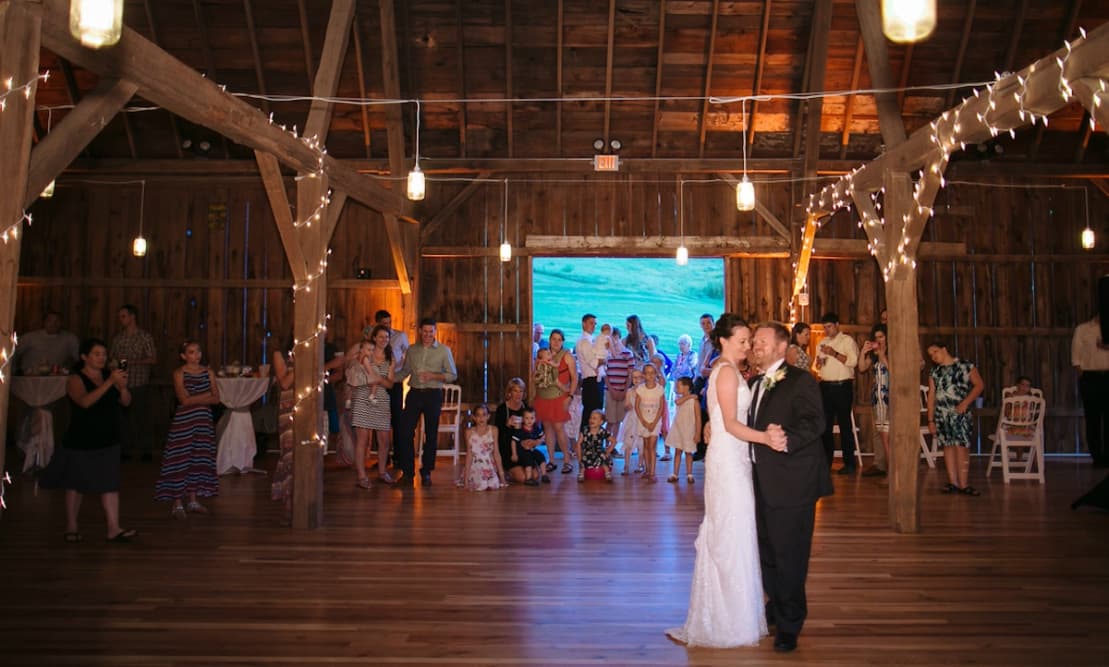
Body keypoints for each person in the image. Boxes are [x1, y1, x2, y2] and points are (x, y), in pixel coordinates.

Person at [666, 315, 787, 648]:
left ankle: (737, 613)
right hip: (728, 462)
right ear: (724, 341)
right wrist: (765, 438)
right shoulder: (727, 373)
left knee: (736, 530)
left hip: (733, 457)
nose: (748, 345)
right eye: (743, 340)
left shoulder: (728, 371)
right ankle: (725, 620)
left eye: (749, 340)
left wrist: (712, 427)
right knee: (728, 531)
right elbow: (732, 424)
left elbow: (722, 419)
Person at [748, 321, 831, 652]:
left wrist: (788, 440)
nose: (755, 346)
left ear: (782, 347)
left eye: (762, 342)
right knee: (767, 552)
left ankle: (790, 623)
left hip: (793, 481)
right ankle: (776, 604)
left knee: (791, 555)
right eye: (754, 342)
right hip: (759, 482)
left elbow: (815, 422)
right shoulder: (754, 382)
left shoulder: (800, 380)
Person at [39, 338, 136, 543]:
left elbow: (126, 402)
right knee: (76, 483)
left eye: (104, 354)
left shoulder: (109, 376)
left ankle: (113, 528)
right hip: (81, 438)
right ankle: (72, 526)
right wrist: (109, 383)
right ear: (85, 357)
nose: (102, 358)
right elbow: (84, 402)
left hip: (108, 437)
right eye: (97, 354)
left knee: (110, 484)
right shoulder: (76, 379)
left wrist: (122, 387)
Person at [155, 340, 220, 519]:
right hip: (184, 422)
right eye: (191, 352)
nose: (196, 355)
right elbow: (184, 400)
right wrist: (206, 395)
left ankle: (193, 500)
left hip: (203, 421)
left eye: (198, 351)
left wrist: (198, 398)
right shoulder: (179, 373)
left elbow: (216, 399)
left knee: (199, 458)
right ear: (183, 356)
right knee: (180, 458)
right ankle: (177, 503)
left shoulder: (209, 372)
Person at [396, 317, 458, 486]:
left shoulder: (444, 351)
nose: (428, 335)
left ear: (435, 332)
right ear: (420, 331)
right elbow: (405, 371)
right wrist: (388, 378)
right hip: (414, 393)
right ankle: (407, 473)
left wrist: (434, 376)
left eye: (431, 332)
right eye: (425, 331)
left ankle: (426, 472)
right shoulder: (412, 350)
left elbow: (452, 375)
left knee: (431, 434)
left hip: (433, 394)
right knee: (405, 432)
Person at [927, 340, 986, 496]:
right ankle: (953, 482)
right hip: (942, 413)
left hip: (960, 413)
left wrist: (966, 403)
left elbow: (979, 385)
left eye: (935, 352)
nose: (933, 356)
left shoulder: (965, 366)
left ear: (944, 349)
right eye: (930, 355)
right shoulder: (935, 372)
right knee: (947, 446)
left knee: (962, 446)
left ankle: (964, 483)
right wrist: (931, 420)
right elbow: (931, 395)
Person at [348, 326, 396, 488]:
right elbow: (353, 372)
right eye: (381, 337)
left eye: (387, 337)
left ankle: (382, 472)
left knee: (384, 439)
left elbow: (389, 384)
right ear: (374, 338)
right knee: (363, 439)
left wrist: (378, 379)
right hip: (363, 397)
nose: (384, 340)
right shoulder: (364, 353)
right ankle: (362, 476)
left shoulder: (390, 357)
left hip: (381, 399)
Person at [110, 304, 157, 462]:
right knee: (123, 419)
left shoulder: (145, 337)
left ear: (132, 317)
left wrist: (133, 361)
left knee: (142, 417)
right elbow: (112, 358)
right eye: (120, 316)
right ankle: (125, 449)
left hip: (139, 381)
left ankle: (146, 450)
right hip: (122, 383)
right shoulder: (118, 338)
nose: (121, 319)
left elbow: (153, 359)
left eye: (123, 316)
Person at [815, 312, 859, 474]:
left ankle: (849, 464)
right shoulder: (822, 342)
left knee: (844, 425)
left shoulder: (847, 341)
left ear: (837, 325)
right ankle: (826, 463)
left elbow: (853, 361)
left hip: (842, 386)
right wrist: (820, 362)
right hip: (825, 386)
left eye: (829, 327)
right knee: (825, 426)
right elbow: (816, 367)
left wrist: (833, 353)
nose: (826, 330)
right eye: (824, 327)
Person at [533, 329, 577, 475]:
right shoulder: (543, 355)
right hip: (544, 396)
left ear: (563, 341)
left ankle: (567, 460)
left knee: (559, 428)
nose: (556, 342)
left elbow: (575, 378)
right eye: (554, 339)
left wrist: (570, 396)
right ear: (550, 340)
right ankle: (551, 460)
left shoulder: (567, 356)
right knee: (548, 428)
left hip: (560, 396)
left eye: (559, 339)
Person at [1072, 314, 1109, 467]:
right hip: (1091, 378)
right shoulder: (1083, 329)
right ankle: (1097, 457)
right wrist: (1084, 375)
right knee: (1093, 419)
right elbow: (1075, 357)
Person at [856, 324, 890, 477]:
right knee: (878, 432)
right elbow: (862, 368)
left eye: (881, 337)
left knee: (887, 433)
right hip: (877, 398)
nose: (878, 340)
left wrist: (883, 356)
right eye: (876, 338)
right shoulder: (874, 355)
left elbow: (894, 372)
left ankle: (892, 467)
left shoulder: (892, 352)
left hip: (890, 398)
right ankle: (880, 464)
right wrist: (863, 352)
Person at [270, 341, 297, 524]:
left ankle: (302, 504)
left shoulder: (314, 352)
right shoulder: (280, 354)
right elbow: (285, 382)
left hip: (309, 405)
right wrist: (301, 362)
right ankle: (287, 506)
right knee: (289, 456)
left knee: (305, 456)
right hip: (289, 408)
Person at [370, 310, 409, 434]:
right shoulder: (373, 338)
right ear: (377, 324)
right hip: (379, 381)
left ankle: (398, 451)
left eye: (389, 323)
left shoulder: (400, 336)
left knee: (397, 415)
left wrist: (401, 365)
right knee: (379, 416)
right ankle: (379, 450)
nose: (388, 325)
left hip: (395, 379)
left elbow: (408, 353)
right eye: (384, 323)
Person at [13, 310, 79, 375]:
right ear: (44, 322)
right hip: (30, 378)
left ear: (61, 323)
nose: (53, 324)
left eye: (57, 321)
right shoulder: (29, 337)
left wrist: (68, 366)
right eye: (50, 320)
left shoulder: (70, 338)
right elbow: (14, 354)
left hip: (57, 378)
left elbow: (76, 358)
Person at [460, 404, 506, 491]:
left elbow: (496, 453)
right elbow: (469, 455)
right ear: (473, 417)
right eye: (478, 415)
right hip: (475, 465)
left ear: (488, 416)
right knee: (480, 484)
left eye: (484, 415)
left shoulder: (493, 430)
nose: (481, 418)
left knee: (494, 484)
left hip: (489, 465)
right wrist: (465, 481)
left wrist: (502, 476)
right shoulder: (469, 432)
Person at [635, 363, 665, 482]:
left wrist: (654, 422)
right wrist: (643, 421)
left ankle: (653, 472)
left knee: (652, 446)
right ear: (644, 375)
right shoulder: (641, 389)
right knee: (646, 446)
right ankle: (647, 470)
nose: (650, 376)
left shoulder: (659, 389)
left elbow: (661, 408)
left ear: (656, 374)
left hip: (655, 421)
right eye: (647, 373)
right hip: (643, 420)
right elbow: (637, 406)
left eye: (652, 373)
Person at [667, 376, 700, 484]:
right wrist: (690, 396)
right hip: (679, 429)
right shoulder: (680, 398)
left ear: (686, 387)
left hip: (689, 430)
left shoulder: (694, 402)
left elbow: (698, 418)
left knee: (688, 452)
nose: (676, 387)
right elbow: (678, 402)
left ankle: (689, 474)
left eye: (679, 385)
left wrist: (697, 433)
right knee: (677, 451)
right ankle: (675, 473)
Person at [603, 329, 634, 440]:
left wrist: (624, 391)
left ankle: (613, 445)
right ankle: (606, 444)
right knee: (610, 420)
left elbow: (630, 375)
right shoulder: (606, 354)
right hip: (609, 390)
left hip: (623, 390)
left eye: (614, 338)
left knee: (618, 421)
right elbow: (604, 374)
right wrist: (611, 390)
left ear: (618, 337)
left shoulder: (627, 354)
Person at [576, 314, 604, 433]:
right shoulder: (585, 342)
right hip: (591, 381)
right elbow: (594, 363)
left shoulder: (591, 340)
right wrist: (604, 360)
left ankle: (589, 442)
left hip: (594, 381)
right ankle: (585, 443)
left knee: (593, 413)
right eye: (591, 323)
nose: (594, 326)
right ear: (584, 323)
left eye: (595, 323)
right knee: (592, 414)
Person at [509, 407, 548, 486]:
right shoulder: (520, 430)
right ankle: (528, 478)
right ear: (523, 419)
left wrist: (539, 441)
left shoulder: (536, 429)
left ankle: (544, 475)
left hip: (531, 450)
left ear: (535, 419)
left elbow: (543, 437)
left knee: (541, 456)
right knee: (528, 460)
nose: (529, 420)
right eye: (527, 418)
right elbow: (513, 441)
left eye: (532, 418)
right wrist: (514, 454)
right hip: (522, 452)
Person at [574, 409, 616, 481]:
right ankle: (581, 473)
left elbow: (614, 441)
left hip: (599, 452)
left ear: (601, 422)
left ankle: (607, 473)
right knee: (584, 461)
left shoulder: (603, 431)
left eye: (594, 418)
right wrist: (579, 456)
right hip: (587, 451)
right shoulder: (585, 430)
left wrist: (608, 451)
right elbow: (578, 443)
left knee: (603, 459)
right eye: (591, 418)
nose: (591, 420)